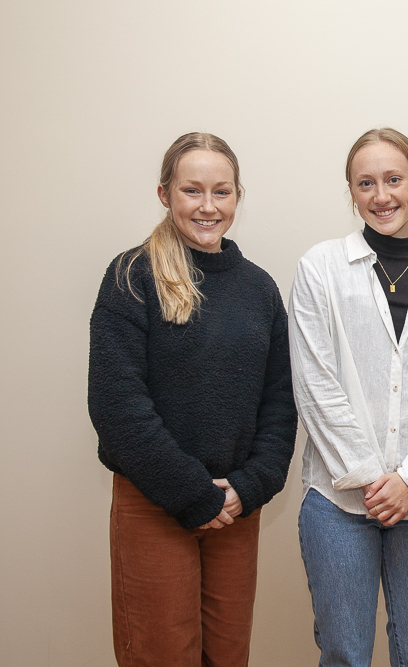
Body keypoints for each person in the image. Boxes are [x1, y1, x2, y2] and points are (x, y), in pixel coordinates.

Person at [88, 132, 298, 666]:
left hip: (234, 508)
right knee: (162, 655)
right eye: (192, 190)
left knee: (228, 656)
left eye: (221, 192)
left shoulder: (260, 289)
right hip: (154, 503)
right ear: (165, 194)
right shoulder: (132, 276)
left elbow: (279, 403)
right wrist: (191, 493)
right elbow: (117, 406)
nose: (208, 206)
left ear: (237, 196)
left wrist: (247, 488)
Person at [291, 128, 408, 667]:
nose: (381, 195)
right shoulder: (320, 268)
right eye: (365, 183)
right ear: (351, 192)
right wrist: (374, 480)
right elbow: (315, 384)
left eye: (394, 179)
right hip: (338, 501)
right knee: (344, 654)